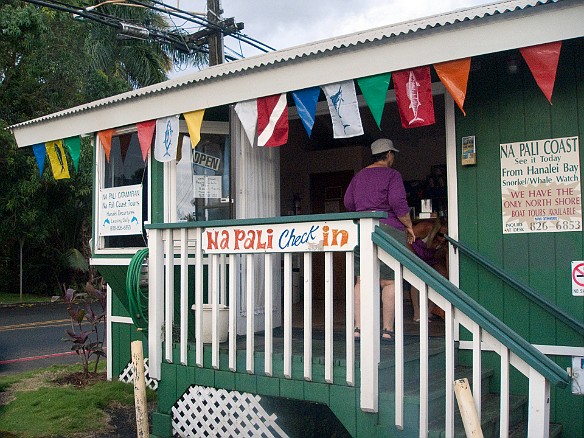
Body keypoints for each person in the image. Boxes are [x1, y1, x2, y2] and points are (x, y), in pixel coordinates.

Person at [344, 138, 415, 341]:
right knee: (389, 282)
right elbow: (398, 202)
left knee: (362, 280)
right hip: (388, 230)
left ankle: (358, 328)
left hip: (362, 230)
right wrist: (409, 226)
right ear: (390, 155)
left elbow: (349, 202)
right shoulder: (392, 175)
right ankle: (387, 330)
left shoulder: (359, 176)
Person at [409, 218, 448, 322]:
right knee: (416, 278)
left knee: (443, 276)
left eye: (446, 236)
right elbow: (407, 238)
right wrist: (412, 258)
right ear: (436, 231)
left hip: (431, 257)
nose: (443, 238)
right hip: (416, 255)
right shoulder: (425, 228)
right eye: (440, 235)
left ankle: (429, 311)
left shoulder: (445, 241)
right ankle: (417, 314)